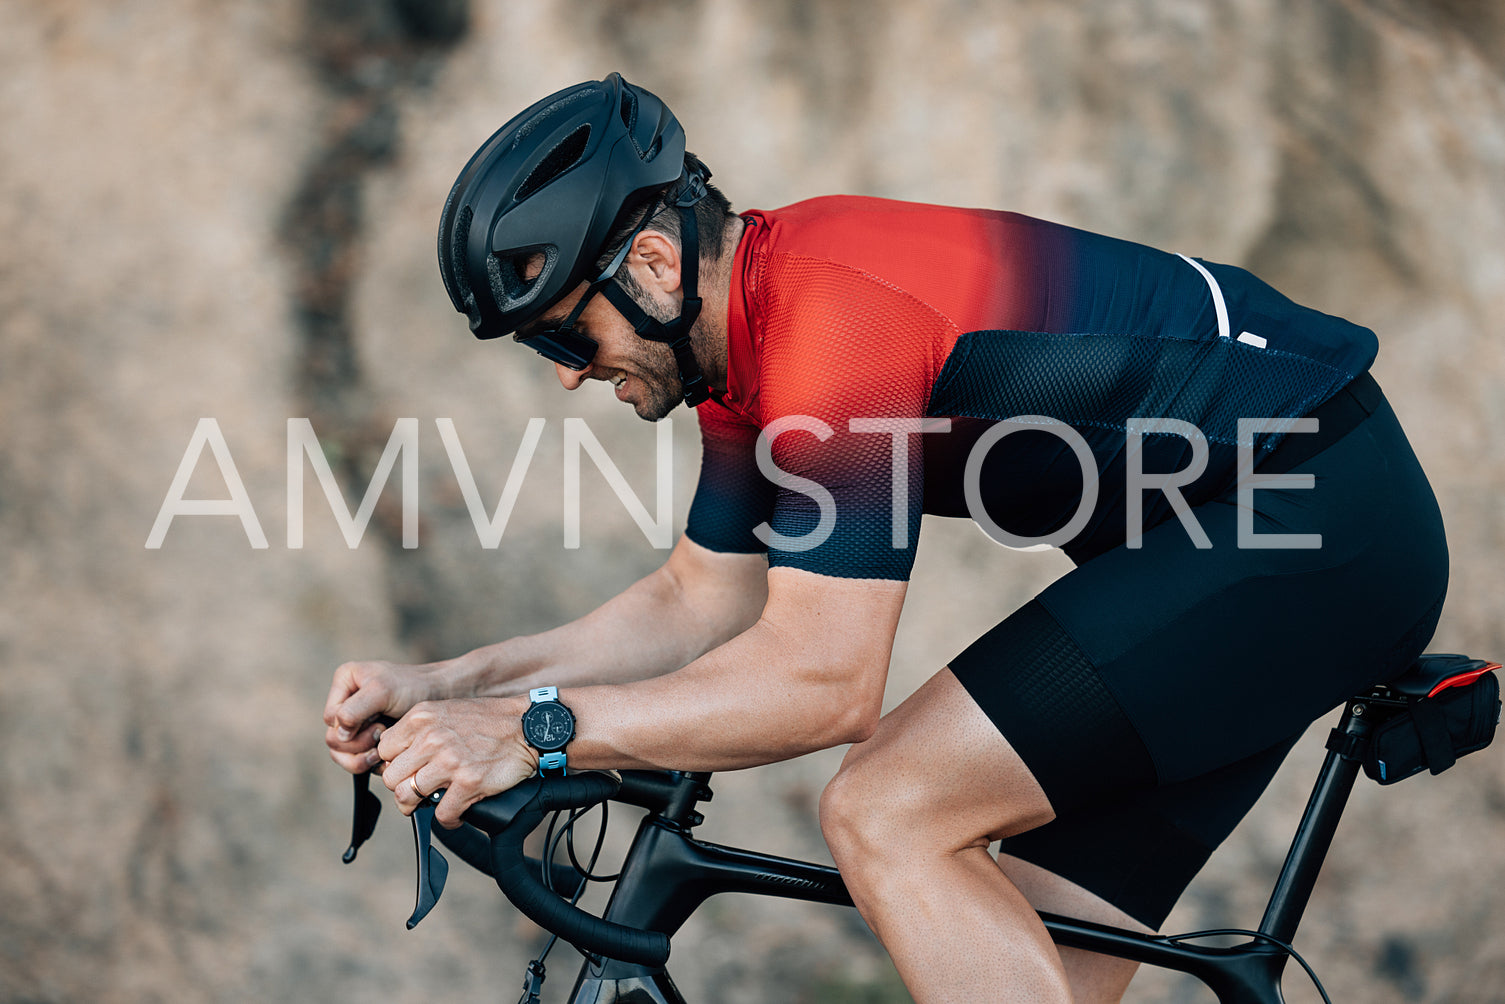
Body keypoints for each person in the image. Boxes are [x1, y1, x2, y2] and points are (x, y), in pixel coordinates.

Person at [324, 73, 1449, 1003]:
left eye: (563, 330)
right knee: (1016, 955)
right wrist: (447, 686)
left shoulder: (832, 321)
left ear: (653, 268)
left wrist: (536, 731)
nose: (569, 371)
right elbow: (695, 599)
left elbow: (823, 683)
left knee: (888, 806)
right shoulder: (748, 350)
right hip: (1228, 548)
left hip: (1308, 513)